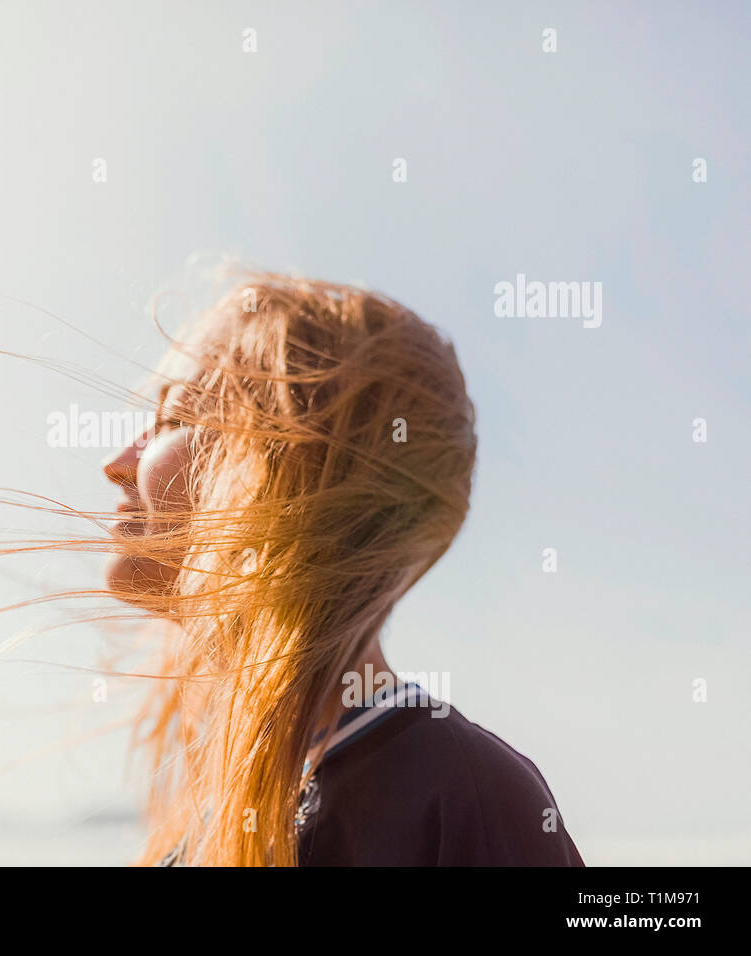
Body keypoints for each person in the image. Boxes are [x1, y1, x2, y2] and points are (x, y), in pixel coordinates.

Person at [99, 272, 583, 866]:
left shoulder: (463, 798)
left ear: (293, 467)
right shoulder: (222, 811)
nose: (118, 462)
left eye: (176, 419)